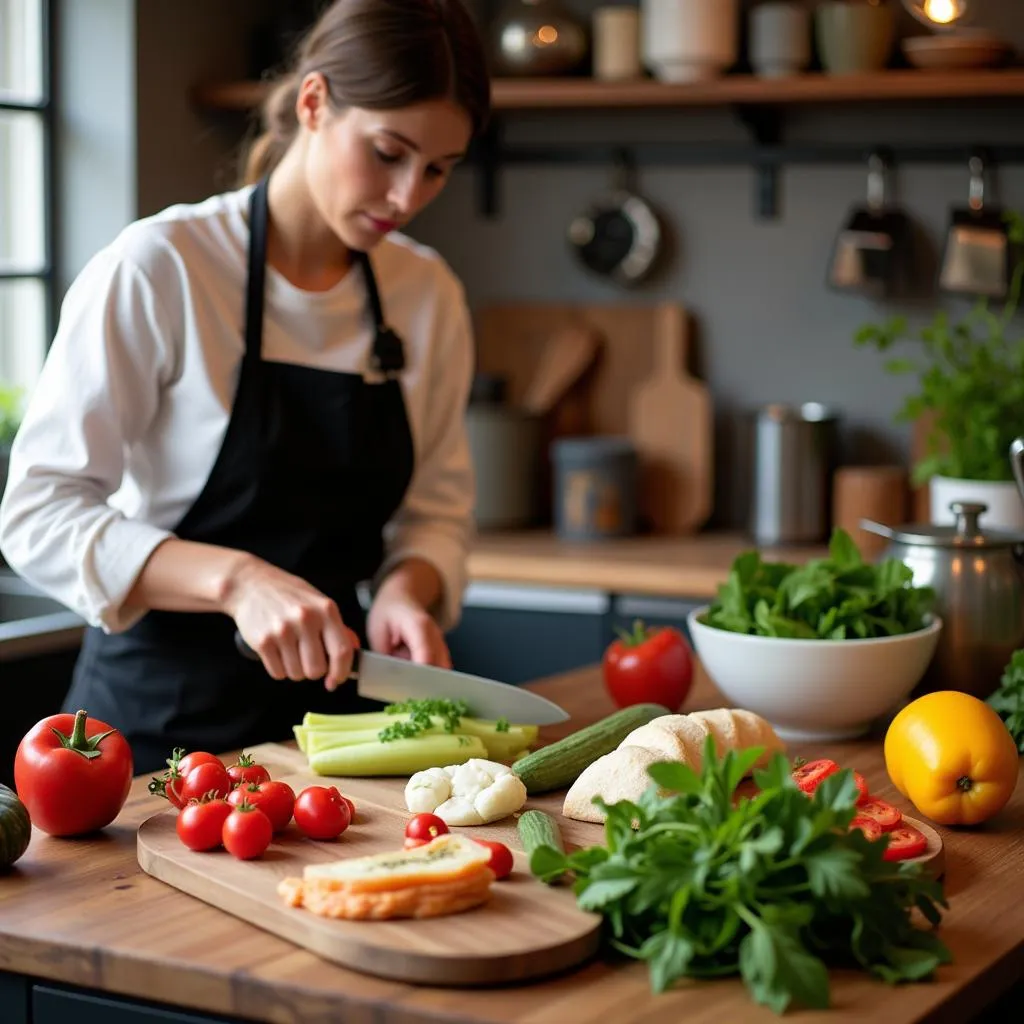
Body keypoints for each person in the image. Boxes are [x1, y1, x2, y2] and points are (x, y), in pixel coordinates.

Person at [0, 0, 490, 775]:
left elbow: (435, 512)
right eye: (389, 152)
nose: (407, 197)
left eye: (437, 170)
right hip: (154, 743)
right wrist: (236, 580)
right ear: (314, 102)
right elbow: (37, 514)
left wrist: (408, 588)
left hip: (340, 746)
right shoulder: (163, 268)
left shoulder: (427, 294)